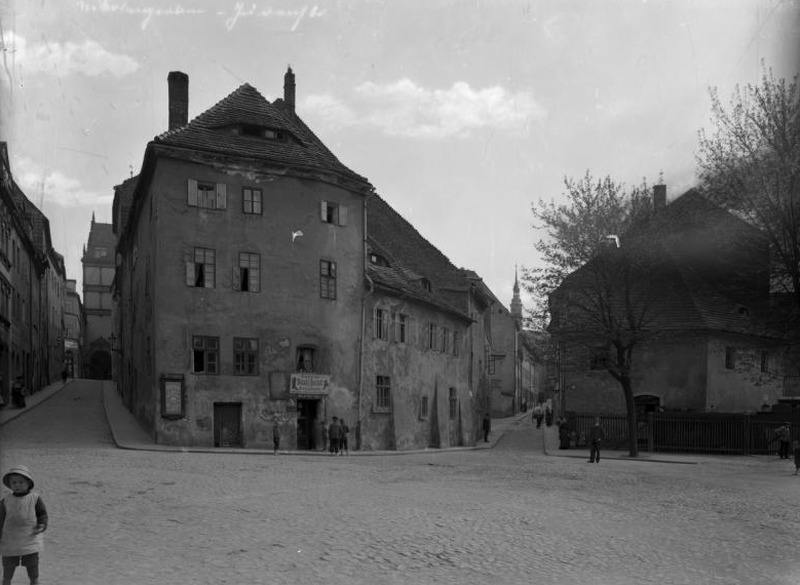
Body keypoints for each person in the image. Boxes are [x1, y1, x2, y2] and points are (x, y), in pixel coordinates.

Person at [0, 465, 48, 585]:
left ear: (28, 483)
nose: (17, 485)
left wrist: (42, 524)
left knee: (33, 570)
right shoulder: (5, 501)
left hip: (30, 540)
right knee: (7, 571)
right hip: (10, 541)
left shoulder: (35, 499)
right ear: (10, 485)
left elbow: (42, 514)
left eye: (21, 482)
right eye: (14, 482)